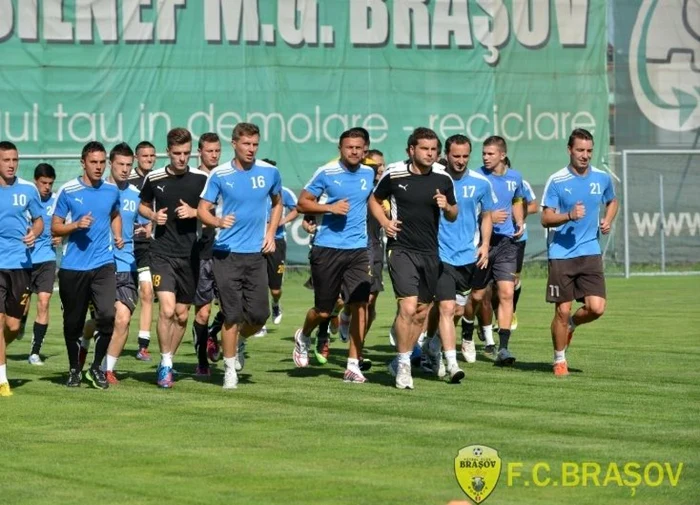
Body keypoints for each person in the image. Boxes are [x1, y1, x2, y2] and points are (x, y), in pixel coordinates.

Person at [369, 127, 457, 390]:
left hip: (430, 253)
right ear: (411, 150)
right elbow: (374, 200)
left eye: (434, 150)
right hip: (401, 249)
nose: (430, 154)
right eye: (424, 149)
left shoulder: (443, 178)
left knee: (421, 313)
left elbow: (454, 213)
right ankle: (404, 365)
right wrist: (385, 222)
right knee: (408, 307)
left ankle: (401, 359)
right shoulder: (394, 173)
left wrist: (447, 206)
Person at [197, 122, 282, 389]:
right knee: (232, 315)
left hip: (256, 255)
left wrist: (270, 233)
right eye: (246, 144)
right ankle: (229, 370)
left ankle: (239, 342)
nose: (251, 149)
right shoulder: (220, 175)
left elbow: (278, 202)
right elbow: (202, 210)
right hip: (226, 256)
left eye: (255, 144)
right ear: (234, 144)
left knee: (259, 316)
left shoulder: (270, 172)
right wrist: (217, 222)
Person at [294, 128, 375, 383]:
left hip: (358, 249)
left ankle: (352, 365)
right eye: (348, 147)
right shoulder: (326, 173)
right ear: (340, 149)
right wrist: (329, 208)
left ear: (365, 149)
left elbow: (373, 200)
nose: (353, 151)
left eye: (358, 147)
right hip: (327, 248)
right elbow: (301, 203)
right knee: (323, 310)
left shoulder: (369, 173)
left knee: (361, 304)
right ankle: (304, 335)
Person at [541, 128, 617, 376]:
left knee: (597, 308)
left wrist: (608, 219)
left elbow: (612, 200)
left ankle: (572, 325)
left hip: (590, 251)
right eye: (580, 150)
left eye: (589, 151)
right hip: (561, 254)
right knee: (561, 310)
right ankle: (559, 359)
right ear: (569, 150)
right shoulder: (557, 181)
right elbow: (545, 218)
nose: (585, 155)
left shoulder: (602, 178)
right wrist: (568, 216)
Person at [138, 128, 208, 388]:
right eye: (177, 153)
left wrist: (195, 212)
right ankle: (166, 363)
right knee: (167, 309)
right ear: (168, 152)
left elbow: (212, 212)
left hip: (190, 254)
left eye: (187, 153)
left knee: (181, 315)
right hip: (161, 252)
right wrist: (153, 217)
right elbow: (142, 204)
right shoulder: (154, 178)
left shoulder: (202, 179)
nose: (182, 158)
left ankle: (168, 359)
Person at [52, 141, 123, 389]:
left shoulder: (112, 191)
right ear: (83, 162)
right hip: (73, 267)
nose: (99, 167)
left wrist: (118, 235)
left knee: (107, 316)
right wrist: (76, 225)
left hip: (104, 264)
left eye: (102, 162)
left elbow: (114, 214)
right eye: (94, 162)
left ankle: (96, 369)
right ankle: (74, 370)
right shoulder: (68, 191)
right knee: (73, 323)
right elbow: (55, 226)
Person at [423, 135, 494, 380]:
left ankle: (432, 343)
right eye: (456, 156)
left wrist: (485, 244)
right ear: (447, 154)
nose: (461, 161)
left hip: (468, 255)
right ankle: (451, 363)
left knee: (456, 311)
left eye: (465, 156)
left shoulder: (481, 183)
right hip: (439, 254)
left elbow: (486, 215)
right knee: (446, 307)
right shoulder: (434, 179)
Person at [462, 136, 525, 366]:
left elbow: (518, 199)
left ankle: (504, 348)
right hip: (482, 244)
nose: (485, 157)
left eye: (490, 153)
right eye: (484, 153)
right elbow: (467, 210)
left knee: (507, 293)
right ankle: (467, 334)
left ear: (502, 155)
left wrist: (519, 221)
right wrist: (487, 216)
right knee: (477, 295)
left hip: (507, 243)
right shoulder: (477, 178)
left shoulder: (515, 177)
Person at [0, 141, 44, 397]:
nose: (11, 164)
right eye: (6, 160)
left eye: (14, 160)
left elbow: (39, 221)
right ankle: (3, 380)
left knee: (14, 326)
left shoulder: (28, 189)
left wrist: (33, 233)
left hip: (21, 265)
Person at [98, 143, 142, 384]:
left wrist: (148, 226)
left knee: (123, 318)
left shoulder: (135, 195)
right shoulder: (98, 191)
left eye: (128, 165)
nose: (125, 170)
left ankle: (108, 368)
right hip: (99, 264)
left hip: (126, 265)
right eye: (120, 165)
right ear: (110, 164)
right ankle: (84, 341)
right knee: (103, 319)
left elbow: (144, 222)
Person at [21, 163, 60, 366]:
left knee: (44, 302)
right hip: (24, 260)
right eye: (43, 183)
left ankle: (35, 352)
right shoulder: (25, 198)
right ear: (35, 181)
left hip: (47, 259)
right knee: (21, 309)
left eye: (50, 183)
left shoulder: (56, 201)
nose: (47, 187)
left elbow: (64, 226)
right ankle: (19, 323)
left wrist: (61, 237)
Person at [191, 132, 223, 377]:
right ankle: (202, 359)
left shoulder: (227, 177)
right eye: (209, 151)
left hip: (227, 251)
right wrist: (198, 212)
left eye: (217, 151)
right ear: (199, 152)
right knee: (202, 310)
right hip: (201, 252)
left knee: (238, 307)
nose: (214, 155)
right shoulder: (193, 180)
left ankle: (213, 332)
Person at [260, 158, 298, 333]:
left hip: (277, 242)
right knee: (257, 285)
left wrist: (281, 220)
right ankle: (259, 323)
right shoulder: (253, 191)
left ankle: (276, 304)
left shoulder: (284, 192)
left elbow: (297, 209)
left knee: (275, 289)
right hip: (255, 243)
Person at [127, 141, 157, 361]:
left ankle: (143, 345)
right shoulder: (126, 182)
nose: (149, 159)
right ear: (137, 158)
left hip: (147, 247)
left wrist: (151, 227)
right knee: (122, 302)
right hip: (125, 246)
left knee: (147, 292)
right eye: (145, 156)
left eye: (152, 156)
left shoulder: (159, 180)